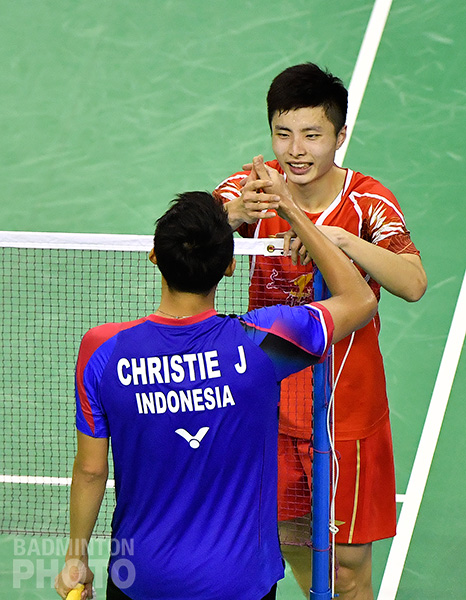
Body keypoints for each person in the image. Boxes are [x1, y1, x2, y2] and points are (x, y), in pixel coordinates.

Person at [54, 190, 376, 600]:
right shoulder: (263, 343)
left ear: (155, 257)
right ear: (229, 266)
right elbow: (360, 300)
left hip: (142, 578)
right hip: (239, 582)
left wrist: (76, 556)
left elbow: (90, 471)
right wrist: (293, 214)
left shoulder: (102, 350)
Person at [213, 62, 427, 599]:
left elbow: (414, 283)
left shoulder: (366, 201)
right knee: (290, 539)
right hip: (270, 401)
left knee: (348, 566)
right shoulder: (253, 189)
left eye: (312, 135)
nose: (296, 150)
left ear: (340, 135)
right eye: (282, 133)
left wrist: (342, 242)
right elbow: (173, 246)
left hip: (345, 405)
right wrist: (231, 215)